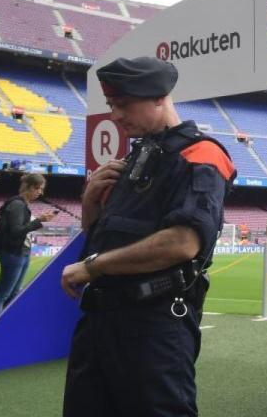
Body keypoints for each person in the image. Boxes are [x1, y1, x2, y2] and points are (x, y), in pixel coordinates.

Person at [60, 56, 235, 417]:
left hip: (155, 326)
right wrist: (90, 201)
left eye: (123, 104)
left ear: (159, 97)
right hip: (99, 322)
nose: (115, 115)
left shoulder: (201, 154)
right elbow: (99, 237)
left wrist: (93, 267)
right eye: (111, 104)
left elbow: (183, 242)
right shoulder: (137, 155)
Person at [0, 173, 55, 327]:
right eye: (37, 188)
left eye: (41, 189)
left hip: (21, 253)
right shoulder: (17, 204)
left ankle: (2, 326)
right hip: (13, 254)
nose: (40, 192)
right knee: (2, 295)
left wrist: (38, 221)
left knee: (13, 294)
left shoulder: (21, 204)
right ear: (28, 187)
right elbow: (16, 231)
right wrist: (39, 221)